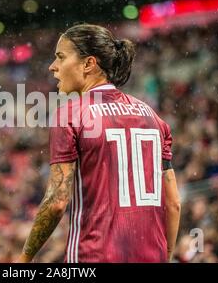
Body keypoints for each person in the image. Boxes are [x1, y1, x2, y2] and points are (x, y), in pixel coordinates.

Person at [17, 24, 181, 263]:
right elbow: (173, 203)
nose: (53, 67)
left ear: (88, 64)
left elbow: (56, 202)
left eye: (60, 57)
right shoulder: (153, 117)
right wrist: (164, 256)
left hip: (93, 256)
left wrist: (24, 259)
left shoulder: (70, 115)